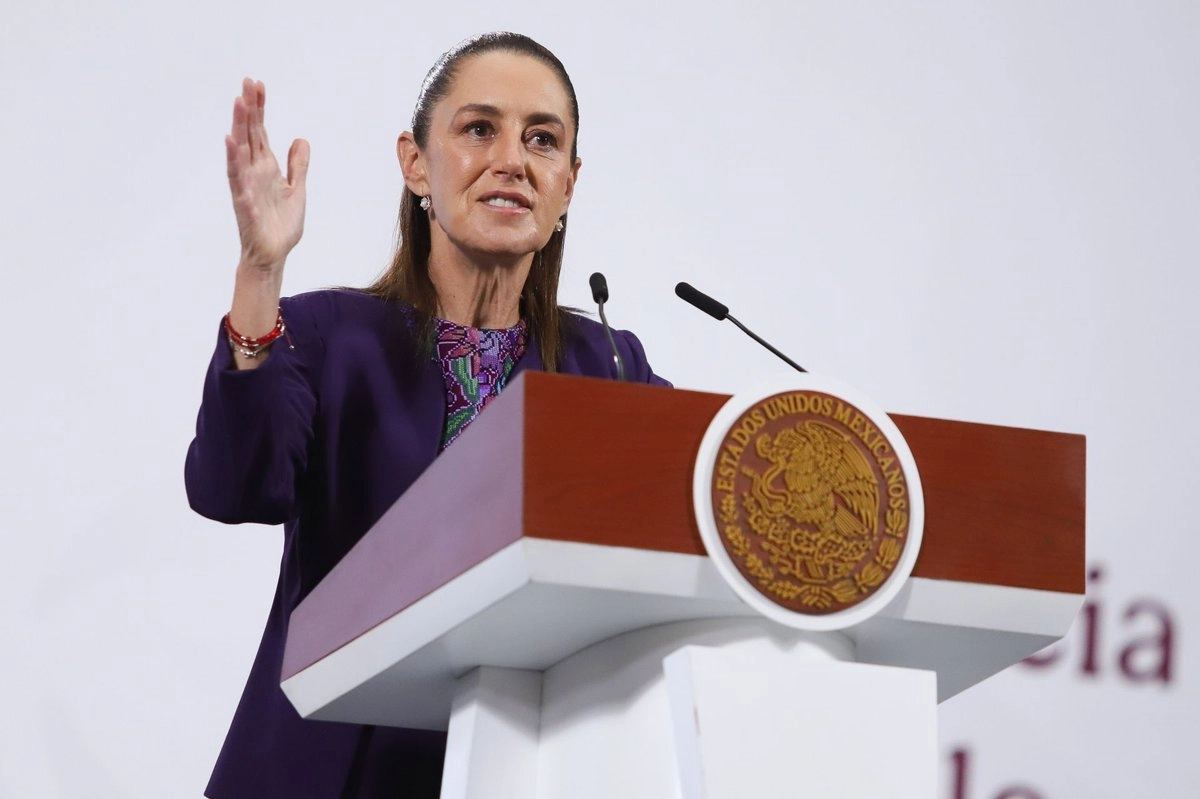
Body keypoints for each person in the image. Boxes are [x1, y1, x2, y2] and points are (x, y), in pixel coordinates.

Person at [185, 32, 669, 799]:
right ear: (416, 163)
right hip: (330, 767)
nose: (512, 158)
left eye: (542, 139)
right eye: (480, 129)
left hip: (520, 768)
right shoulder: (323, 336)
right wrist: (261, 273)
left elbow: (689, 521)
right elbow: (232, 488)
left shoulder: (608, 365)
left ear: (568, 185)